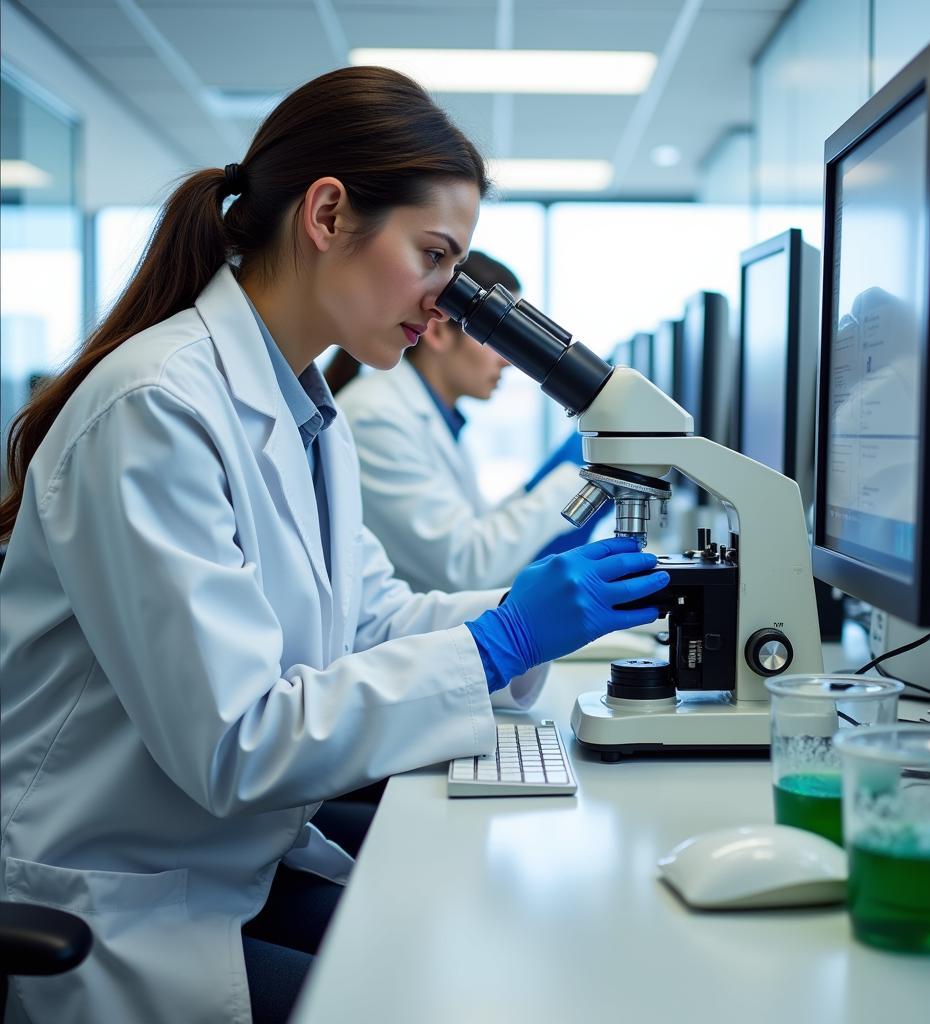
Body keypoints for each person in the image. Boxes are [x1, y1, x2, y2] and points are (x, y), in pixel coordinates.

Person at [0, 66, 668, 1024]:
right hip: (119, 896)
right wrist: (496, 645)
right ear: (326, 214)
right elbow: (236, 743)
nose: (448, 303)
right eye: (434, 255)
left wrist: (526, 620)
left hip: (220, 862)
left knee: (483, 944)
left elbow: (371, 619)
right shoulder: (158, 409)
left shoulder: (306, 409)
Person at [338, 249, 603, 592]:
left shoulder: (436, 416)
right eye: (500, 338)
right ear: (438, 333)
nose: (509, 361)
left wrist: (544, 485)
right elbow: (465, 565)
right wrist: (574, 480)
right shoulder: (376, 418)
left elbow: (475, 527)